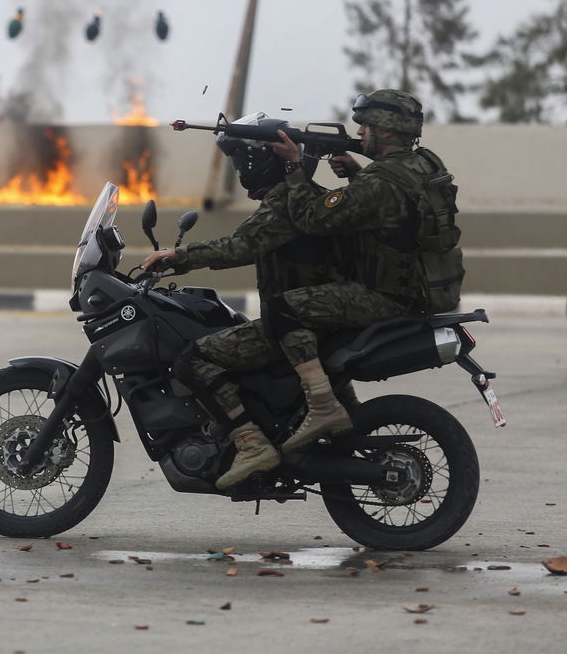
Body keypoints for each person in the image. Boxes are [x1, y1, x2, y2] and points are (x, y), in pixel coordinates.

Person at [145, 90, 463, 491]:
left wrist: (179, 256)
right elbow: (388, 204)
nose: (359, 131)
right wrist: (353, 173)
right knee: (286, 311)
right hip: (418, 289)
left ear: (387, 129)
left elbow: (259, 240)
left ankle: (256, 439)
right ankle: (330, 412)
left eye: (366, 125)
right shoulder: (423, 164)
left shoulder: (294, 202)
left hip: (384, 295)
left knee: (199, 355)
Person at [140, 121, 343, 491]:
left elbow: (241, 246)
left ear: (263, 162)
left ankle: (251, 443)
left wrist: (178, 257)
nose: (241, 171)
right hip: (315, 318)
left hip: (298, 326)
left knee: (192, 359)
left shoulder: (285, 201)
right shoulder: (302, 193)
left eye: (242, 162)